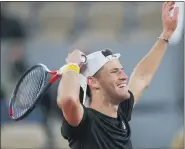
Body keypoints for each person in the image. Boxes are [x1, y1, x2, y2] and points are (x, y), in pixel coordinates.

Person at [57, 2, 179, 149]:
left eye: (121, 70)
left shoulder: (120, 111)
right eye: (114, 72)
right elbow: (68, 99)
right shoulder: (84, 121)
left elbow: (142, 77)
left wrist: (166, 35)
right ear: (93, 82)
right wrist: (73, 65)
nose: (124, 77)